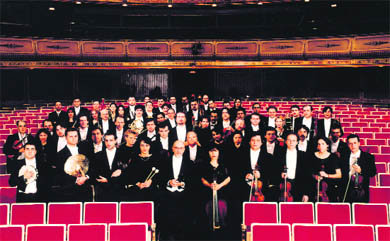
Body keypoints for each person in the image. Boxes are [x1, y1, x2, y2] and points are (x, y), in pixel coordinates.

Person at [158, 140, 194, 241]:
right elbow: (160, 178)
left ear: (184, 149)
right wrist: (169, 182)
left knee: (183, 221)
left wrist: (183, 184)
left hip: (184, 196)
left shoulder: (190, 163)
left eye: (181, 148)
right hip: (168, 195)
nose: (178, 150)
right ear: (172, 149)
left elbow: (193, 181)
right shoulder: (165, 162)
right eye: (176, 148)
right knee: (169, 221)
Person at [52, 128, 91, 202]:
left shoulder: (85, 151)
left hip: (85, 188)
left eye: (75, 136)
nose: (74, 139)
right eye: (71, 136)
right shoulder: (59, 155)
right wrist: (76, 180)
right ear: (66, 137)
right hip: (69, 190)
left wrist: (86, 177)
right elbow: (59, 174)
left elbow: (91, 167)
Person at [200, 145, 231, 234]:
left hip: (221, 190)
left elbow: (228, 178)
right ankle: (209, 227)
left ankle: (222, 227)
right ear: (208, 153)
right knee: (208, 205)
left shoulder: (223, 165)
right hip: (208, 190)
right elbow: (202, 179)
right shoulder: (204, 165)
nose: (213, 153)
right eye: (211, 151)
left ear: (219, 152)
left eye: (215, 151)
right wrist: (209, 185)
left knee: (221, 204)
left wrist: (219, 185)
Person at [339, 134, 376, 203]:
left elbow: (373, 172)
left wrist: (361, 170)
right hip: (347, 190)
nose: (353, 146)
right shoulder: (343, 157)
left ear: (359, 143)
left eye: (355, 143)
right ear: (347, 145)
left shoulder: (368, 157)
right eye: (350, 143)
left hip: (362, 190)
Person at [276, 133, 312, 202]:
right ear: (285, 141)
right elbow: (274, 170)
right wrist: (280, 174)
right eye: (289, 140)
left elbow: (307, 176)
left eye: (293, 140)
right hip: (283, 187)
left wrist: (306, 193)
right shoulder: (279, 154)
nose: (291, 142)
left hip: (299, 187)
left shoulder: (303, 155)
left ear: (297, 142)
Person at [241, 133, 276, 202]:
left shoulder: (269, 157)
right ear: (249, 142)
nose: (255, 143)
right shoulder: (242, 154)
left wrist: (261, 175)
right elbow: (237, 170)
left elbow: (271, 173)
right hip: (244, 189)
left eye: (257, 140)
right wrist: (245, 175)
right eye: (253, 140)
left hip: (261, 190)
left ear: (261, 143)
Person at [92, 131, 125, 202]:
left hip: (118, 189)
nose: (108, 143)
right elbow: (95, 173)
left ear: (115, 141)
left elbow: (126, 173)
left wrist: (109, 180)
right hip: (102, 190)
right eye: (106, 140)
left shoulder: (123, 154)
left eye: (111, 140)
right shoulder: (97, 155)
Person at [311, 136, 341, 202]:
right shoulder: (312, 156)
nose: (320, 146)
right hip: (314, 187)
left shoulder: (333, 157)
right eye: (319, 144)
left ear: (327, 145)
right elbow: (308, 172)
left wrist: (327, 175)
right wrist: (315, 176)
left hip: (330, 188)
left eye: (323, 144)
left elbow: (339, 175)